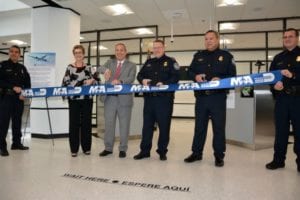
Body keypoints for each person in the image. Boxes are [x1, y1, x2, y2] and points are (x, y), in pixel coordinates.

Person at [184, 30, 236, 167]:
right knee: (199, 127)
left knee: (218, 128)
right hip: (201, 98)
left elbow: (233, 76)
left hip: (218, 98)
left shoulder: (226, 56)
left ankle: (219, 156)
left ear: (217, 40)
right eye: (206, 39)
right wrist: (195, 76)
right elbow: (189, 71)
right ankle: (196, 153)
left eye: (211, 38)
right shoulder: (198, 56)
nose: (208, 41)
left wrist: (221, 79)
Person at [134, 39, 180, 161]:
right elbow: (140, 75)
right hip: (149, 100)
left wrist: (164, 83)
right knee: (147, 126)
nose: (157, 49)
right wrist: (142, 80)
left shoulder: (171, 62)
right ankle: (144, 151)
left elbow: (176, 77)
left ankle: (162, 151)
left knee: (164, 127)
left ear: (164, 48)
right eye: (155, 48)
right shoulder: (149, 62)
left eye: (159, 47)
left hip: (164, 100)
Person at [266, 28, 300, 172]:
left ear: (297, 38)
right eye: (285, 37)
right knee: (280, 131)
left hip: (298, 99)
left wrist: (293, 75)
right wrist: (275, 86)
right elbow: (270, 77)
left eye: (290, 36)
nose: (287, 39)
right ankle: (278, 160)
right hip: (281, 100)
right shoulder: (278, 58)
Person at [99, 43, 136, 158]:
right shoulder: (110, 62)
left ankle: (123, 149)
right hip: (110, 98)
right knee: (109, 125)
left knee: (124, 125)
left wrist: (120, 81)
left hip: (124, 99)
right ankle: (108, 148)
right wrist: (105, 70)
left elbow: (131, 78)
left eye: (121, 50)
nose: (119, 52)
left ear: (125, 52)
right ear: (115, 52)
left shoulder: (132, 65)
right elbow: (100, 68)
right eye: (117, 50)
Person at [62, 44, 99, 157]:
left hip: (87, 100)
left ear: (83, 54)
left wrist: (92, 81)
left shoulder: (89, 67)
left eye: (80, 52)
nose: (78, 54)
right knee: (73, 124)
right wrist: (84, 82)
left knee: (86, 124)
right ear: (74, 54)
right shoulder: (69, 67)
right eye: (76, 53)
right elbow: (66, 83)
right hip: (74, 101)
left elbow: (98, 81)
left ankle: (86, 148)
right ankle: (74, 149)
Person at [0, 45, 31, 156]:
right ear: (9, 53)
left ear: (19, 54)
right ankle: (2, 147)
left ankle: (16, 143)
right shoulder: (3, 65)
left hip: (19, 99)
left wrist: (25, 93)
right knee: (3, 123)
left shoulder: (22, 68)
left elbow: (27, 83)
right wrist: (12, 87)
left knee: (17, 121)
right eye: (12, 51)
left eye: (16, 52)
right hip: (6, 98)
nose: (14, 53)